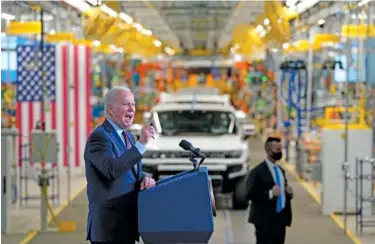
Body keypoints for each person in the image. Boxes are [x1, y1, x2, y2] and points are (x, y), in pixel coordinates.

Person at [84, 86, 156, 244]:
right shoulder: (99, 138)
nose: (132, 109)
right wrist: (141, 144)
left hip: (126, 225)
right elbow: (111, 170)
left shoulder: (128, 136)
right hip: (109, 228)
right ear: (110, 109)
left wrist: (143, 178)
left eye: (133, 104)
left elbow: (128, 169)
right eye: (126, 104)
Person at [246, 137, 293, 244]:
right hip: (264, 220)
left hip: (280, 219)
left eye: (280, 150)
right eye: (277, 150)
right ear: (268, 150)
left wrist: (288, 193)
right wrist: (270, 193)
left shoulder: (280, 171)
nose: (279, 152)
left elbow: (282, 192)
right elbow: (249, 193)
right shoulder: (257, 171)